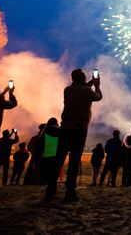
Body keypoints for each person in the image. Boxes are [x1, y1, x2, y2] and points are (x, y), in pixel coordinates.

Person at [54, 68, 102, 202]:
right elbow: (98, 97)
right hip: (79, 129)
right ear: (83, 78)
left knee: (59, 158)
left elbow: (80, 89)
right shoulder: (87, 91)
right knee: (74, 161)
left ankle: (51, 189)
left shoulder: (68, 90)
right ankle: (70, 192)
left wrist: (90, 82)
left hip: (65, 127)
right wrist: (97, 86)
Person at [37, 117, 60, 201]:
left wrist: (37, 158)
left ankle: (49, 193)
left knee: (47, 176)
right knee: (54, 176)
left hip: (45, 157)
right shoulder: (60, 133)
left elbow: (39, 146)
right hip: (56, 158)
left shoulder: (44, 133)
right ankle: (52, 191)